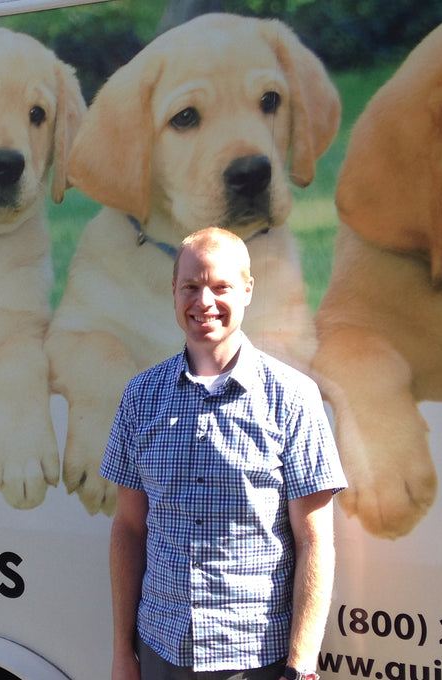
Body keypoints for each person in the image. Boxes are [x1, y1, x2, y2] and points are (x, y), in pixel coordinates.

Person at [103, 227, 346, 680]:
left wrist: (302, 666)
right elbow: (129, 529)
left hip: (254, 659)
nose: (204, 302)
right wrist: (123, 651)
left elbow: (316, 543)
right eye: (191, 287)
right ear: (173, 291)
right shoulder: (140, 397)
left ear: (248, 290)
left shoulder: (293, 399)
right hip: (160, 647)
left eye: (220, 287)